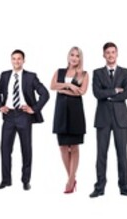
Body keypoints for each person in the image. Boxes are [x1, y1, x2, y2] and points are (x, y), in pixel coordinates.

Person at [0, 49, 51, 190]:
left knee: (26, 149)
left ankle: (26, 180)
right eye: (14, 58)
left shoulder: (31, 77)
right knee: (5, 149)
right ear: (11, 60)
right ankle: (5, 180)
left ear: (23, 60)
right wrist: (0, 106)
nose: (16, 61)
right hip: (8, 116)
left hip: (24, 115)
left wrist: (34, 108)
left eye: (19, 59)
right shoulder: (5, 75)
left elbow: (45, 94)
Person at [92, 42, 127, 200]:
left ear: (117, 54)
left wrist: (109, 95)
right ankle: (99, 187)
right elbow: (97, 93)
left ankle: (125, 187)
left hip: (121, 119)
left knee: (122, 155)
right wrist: (114, 91)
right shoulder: (97, 73)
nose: (111, 55)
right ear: (104, 55)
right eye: (108, 53)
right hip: (103, 118)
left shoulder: (125, 72)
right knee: (101, 155)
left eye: (113, 52)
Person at [51, 47, 89, 193]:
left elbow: (81, 92)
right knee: (62, 147)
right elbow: (52, 86)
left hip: (75, 112)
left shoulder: (83, 74)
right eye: (72, 55)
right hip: (60, 112)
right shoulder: (59, 72)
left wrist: (62, 90)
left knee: (74, 147)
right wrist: (69, 85)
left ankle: (70, 180)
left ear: (80, 59)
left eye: (77, 56)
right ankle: (71, 178)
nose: (74, 58)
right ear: (68, 56)